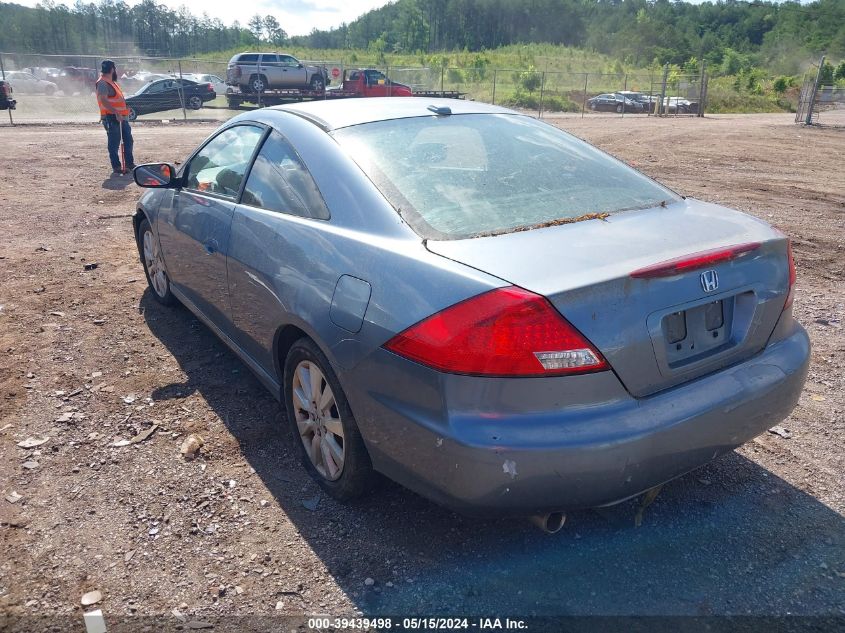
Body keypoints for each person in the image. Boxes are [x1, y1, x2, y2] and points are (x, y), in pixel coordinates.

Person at [96, 60, 135, 175]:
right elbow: (103, 100)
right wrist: (115, 112)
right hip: (111, 117)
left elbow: (115, 99)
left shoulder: (111, 82)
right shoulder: (103, 82)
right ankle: (117, 166)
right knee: (114, 143)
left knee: (128, 140)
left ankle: (129, 163)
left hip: (121, 117)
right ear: (112, 69)